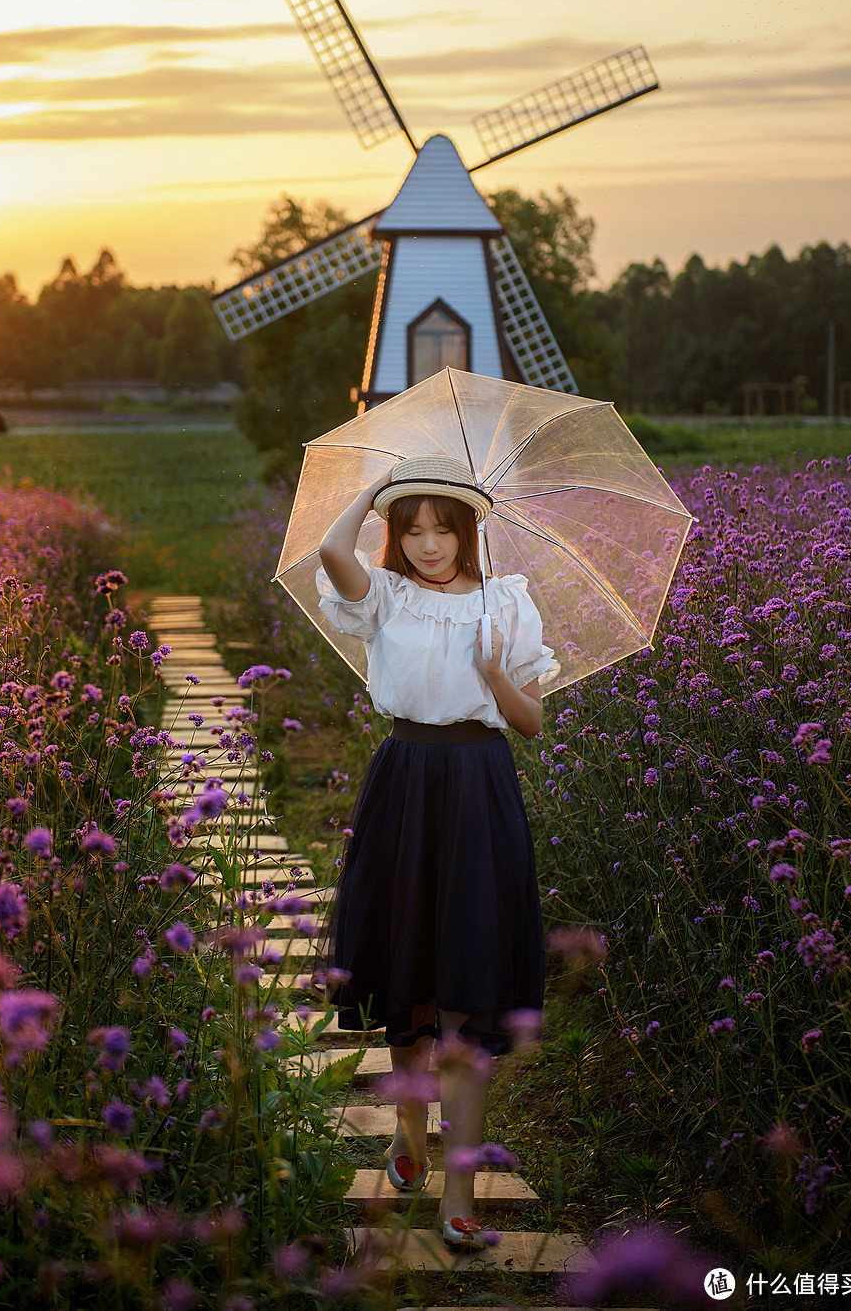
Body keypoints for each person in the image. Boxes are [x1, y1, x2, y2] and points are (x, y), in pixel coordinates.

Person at [309, 454, 558, 1250]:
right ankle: (410, 1126)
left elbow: (532, 723)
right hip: (406, 781)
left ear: (468, 532)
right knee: (405, 957)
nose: (425, 544)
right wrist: (369, 490)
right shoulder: (385, 598)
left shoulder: (506, 603)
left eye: (441, 529)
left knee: (470, 979)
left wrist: (493, 673)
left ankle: (459, 1190)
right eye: (410, 529)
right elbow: (332, 556)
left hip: (480, 787)